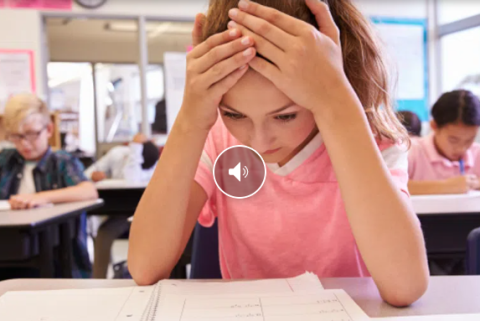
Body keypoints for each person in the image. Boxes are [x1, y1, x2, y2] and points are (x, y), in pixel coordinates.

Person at [128, 0, 428, 307]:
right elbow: (145, 267)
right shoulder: (217, 138)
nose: (258, 142)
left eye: (285, 116)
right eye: (234, 115)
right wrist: (191, 117)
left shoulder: (372, 141)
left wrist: (337, 96)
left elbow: (404, 287)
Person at [0, 93, 98, 278]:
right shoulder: (6, 160)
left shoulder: (61, 161)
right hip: (9, 250)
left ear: (49, 130)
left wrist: (38, 197)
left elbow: (88, 190)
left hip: (54, 257)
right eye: (17, 136)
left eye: (32, 134)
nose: (24, 143)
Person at [85, 134, 160, 278]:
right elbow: (86, 174)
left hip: (149, 217)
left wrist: (137, 150)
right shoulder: (117, 153)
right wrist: (92, 176)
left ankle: (150, 277)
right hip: (120, 213)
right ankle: (98, 279)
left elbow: (134, 177)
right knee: (103, 233)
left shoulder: (154, 159)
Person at [408, 90, 480, 195]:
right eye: (453, 140)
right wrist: (446, 186)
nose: (462, 149)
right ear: (434, 126)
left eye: (469, 140)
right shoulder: (411, 150)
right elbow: (389, 187)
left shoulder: (477, 152)